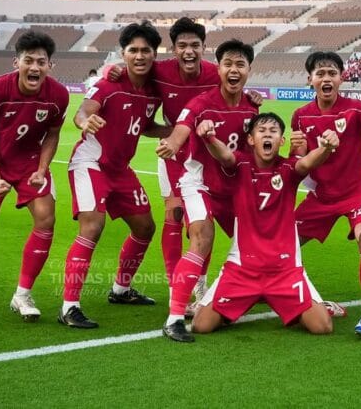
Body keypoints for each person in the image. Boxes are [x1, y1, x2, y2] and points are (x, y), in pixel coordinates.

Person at [105, 18, 263, 314]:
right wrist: (110, 69)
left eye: (195, 45)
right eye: (182, 46)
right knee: (175, 215)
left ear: (204, 49)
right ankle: (173, 288)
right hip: (176, 155)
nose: (189, 51)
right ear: (173, 49)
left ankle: (201, 286)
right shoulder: (160, 71)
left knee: (200, 224)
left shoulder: (215, 73)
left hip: (211, 156)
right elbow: (131, 70)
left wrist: (252, 95)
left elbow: (236, 85)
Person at [59, 21, 170, 328]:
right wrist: (84, 122)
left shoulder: (153, 92)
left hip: (120, 170)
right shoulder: (108, 84)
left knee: (145, 227)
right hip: (90, 163)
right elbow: (83, 111)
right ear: (123, 54)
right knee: (93, 226)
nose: (139, 55)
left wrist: (175, 131)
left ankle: (121, 289)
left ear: (154, 54)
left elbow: (145, 125)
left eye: (145, 50)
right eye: (132, 50)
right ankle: (69, 306)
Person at [290, 51, 361, 338]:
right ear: (310, 80)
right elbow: (300, 163)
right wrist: (297, 148)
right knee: (284, 242)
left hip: (358, 192)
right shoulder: (300, 116)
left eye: (332, 72)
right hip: (322, 197)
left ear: (341, 78)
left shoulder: (356, 108)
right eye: (320, 73)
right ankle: (308, 300)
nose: (326, 78)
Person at [0, 31, 69, 324]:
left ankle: (23, 294)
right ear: (16, 61)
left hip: (30, 161)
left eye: (41, 62)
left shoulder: (59, 95)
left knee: (46, 218)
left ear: (50, 65)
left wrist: (42, 170)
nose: (34, 67)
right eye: (28, 60)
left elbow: (52, 135)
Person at [191, 112, 337, 339]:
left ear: (281, 141)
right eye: (261, 131)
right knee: (201, 325)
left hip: (285, 269)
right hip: (242, 269)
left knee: (322, 326)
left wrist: (326, 147)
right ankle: (249, 298)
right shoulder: (240, 164)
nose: (267, 135)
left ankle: (315, 303)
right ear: (251, 140)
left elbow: (307, 162)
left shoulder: (289, 169)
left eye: (273, 132)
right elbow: (225, 156)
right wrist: (209, 137)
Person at [156, 39, 260, 342]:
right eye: (228, 63)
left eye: (240, 64)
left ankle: (216, 299)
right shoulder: (202, 103)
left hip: (233, 187)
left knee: (251, 248)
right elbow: (182, 127)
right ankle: (175, 317)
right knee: (201, 237)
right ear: (219, 69)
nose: (233, 69)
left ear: (249, 71)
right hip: (198, 181)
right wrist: (173, 143)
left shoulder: (251, 108)